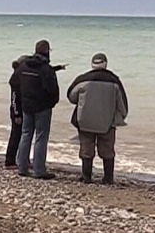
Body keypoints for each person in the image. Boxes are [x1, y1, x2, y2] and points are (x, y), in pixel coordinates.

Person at [67, 53, 129, 184]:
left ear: (92, 64)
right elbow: (122, 106)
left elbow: (71, 97)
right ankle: (108, 178)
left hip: (85, 121)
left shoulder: (82, 79)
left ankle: (86, 176)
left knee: (86, 149)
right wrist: (118, 118)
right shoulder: (114, 81)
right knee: (107, 151)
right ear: (106, 64)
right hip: (107, 123)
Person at [11, 39, 60, 179]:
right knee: (41, 137)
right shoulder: (45, 69)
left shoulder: (23, 66)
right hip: (42, 107)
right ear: (47, 52)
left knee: (26, 134)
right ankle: (39, 170)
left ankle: (22, 167)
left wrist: (22, 98)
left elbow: (14, 82)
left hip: (27, 106)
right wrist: (52, 103)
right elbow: (53, 90)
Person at [4, 56, 27, 168]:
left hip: (21, 109)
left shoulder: (20, 76)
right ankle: (9, 161)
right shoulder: (15, 79)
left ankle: (22, 158)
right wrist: (17, 113)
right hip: (16, 110)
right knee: (16, 135)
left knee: (23, 136)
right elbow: (14, 99)